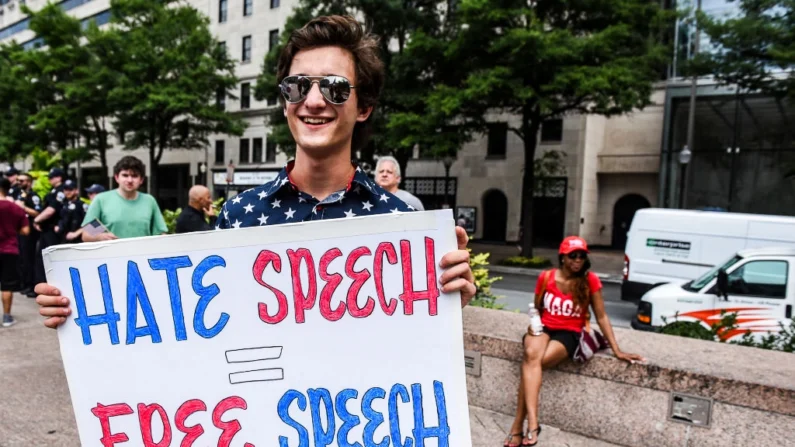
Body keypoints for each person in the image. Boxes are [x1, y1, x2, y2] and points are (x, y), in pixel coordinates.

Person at [36, 15, 476, 329]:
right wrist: (83, 302)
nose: (315, 100)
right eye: (298, 85)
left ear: (364, 107)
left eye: (336, 87)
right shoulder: (240, 213)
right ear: (285, 101)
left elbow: (415, 348)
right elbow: (195, 320)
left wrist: (449, 301)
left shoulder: (402, 223)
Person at [503, 236, 644, 447]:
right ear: (562, 257)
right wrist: (532, 326)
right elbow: (537, 309)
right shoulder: (546, 277)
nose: (577, 260)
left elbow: (602, 316)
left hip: (570, 333)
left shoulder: (590, 281)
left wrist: (617, 350)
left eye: (581, 256)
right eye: (572, 256)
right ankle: (532, 423)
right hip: (544, 327)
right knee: (532, 356)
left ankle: (518, 425)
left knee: (534, 364)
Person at [80, 156, 168, 242]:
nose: (129, 180)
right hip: (111, 255)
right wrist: (100, 236)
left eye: (134, 176)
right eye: (125, 175)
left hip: (142, 255)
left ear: (141, 180)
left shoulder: (149, 201)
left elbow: (161, 234)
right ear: (116, 177)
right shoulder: (101, 200)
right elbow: (86, 234)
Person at [0, 178, 30, 327]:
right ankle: (6, 317)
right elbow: (26, 230)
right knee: (6, 285)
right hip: (9, 250)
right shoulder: (16, 208)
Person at [32, 168, 67, 285]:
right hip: (47, 229)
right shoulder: (54, 191)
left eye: (52, 177)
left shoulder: (61, 191)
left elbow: (51, 210)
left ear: (59, 178)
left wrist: (36, 220)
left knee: (51, 258)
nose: (49, 179)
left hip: (53, 230)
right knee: (41, 257)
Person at [14, 173, 42, 297]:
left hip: (30, 231)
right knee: (22, 259)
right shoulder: (19, 194)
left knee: (29, 258)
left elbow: (37, 213)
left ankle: (31, 285)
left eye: (22, 181)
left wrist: (23, 207)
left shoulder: (33, 196)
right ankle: (24, 283)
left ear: (29, 182)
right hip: (19, 230)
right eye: (18, 181)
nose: (19, 183)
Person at [57, 180, 87, 244]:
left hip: (78, 241)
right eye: (65, 189)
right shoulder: (62, 204)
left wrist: (76, 233)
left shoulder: (82, 205)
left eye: (70, 189)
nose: (67, 192)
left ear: (77, 191)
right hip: (63, 240)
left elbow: (92, 223)